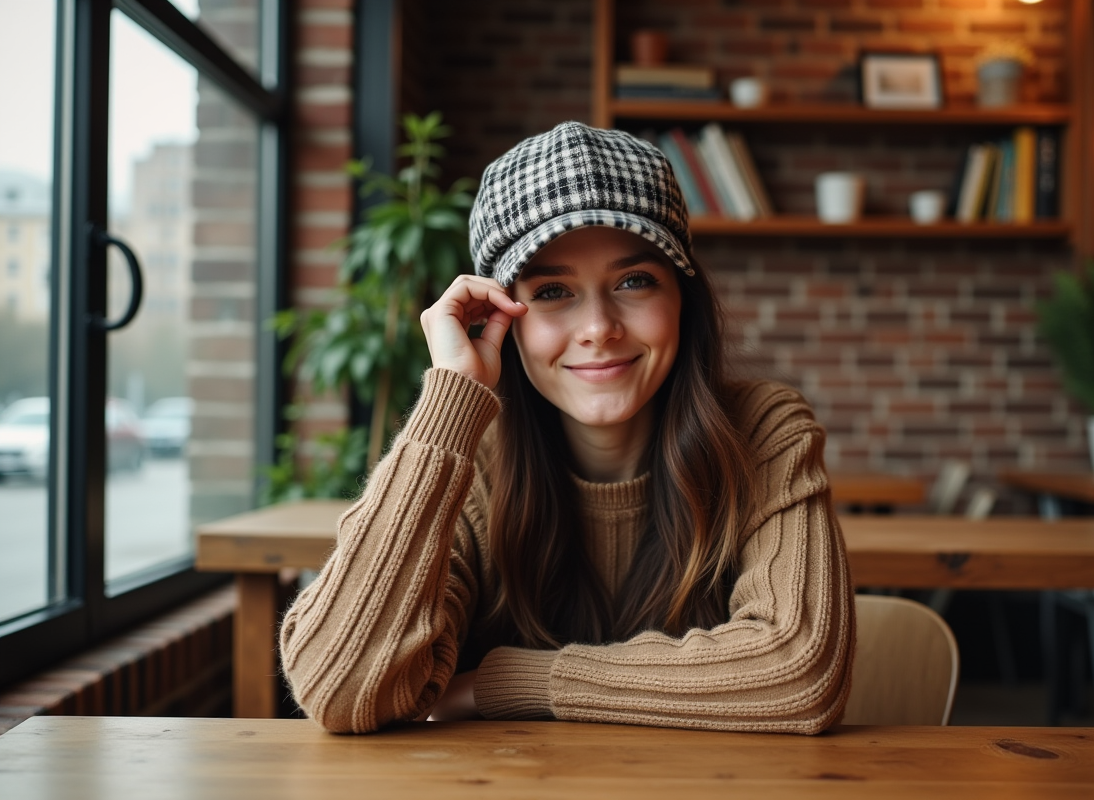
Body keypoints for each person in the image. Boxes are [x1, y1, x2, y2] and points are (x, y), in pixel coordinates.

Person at [279, 122, 855, 734]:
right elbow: (338, 687)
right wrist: (451, 401)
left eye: (634, 281)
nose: (598, 327)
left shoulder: (764, 430)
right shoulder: (473, 466)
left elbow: (799, 672)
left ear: (682, 299)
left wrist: (504, 683)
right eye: (553, 290)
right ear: (501, 317)